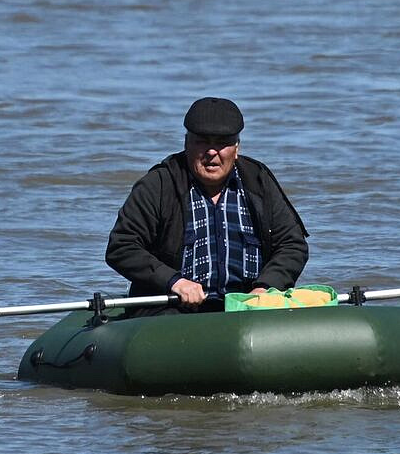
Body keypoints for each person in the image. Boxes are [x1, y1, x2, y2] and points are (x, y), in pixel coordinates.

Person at [105, 97, 309, 311]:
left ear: (236, 148)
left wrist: (266, 286)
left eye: (222, 142)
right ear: (186, 144)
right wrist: (174, 281)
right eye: (202, 141)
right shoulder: (159, 184)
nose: (212, 152)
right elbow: (122, 247)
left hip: (246, 308)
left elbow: (292, 245)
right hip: (171, 308)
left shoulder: (258, 181)